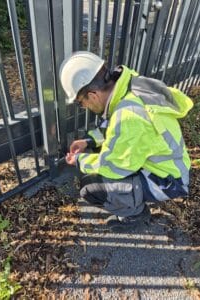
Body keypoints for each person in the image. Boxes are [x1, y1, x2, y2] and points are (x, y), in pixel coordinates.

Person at [59, 51, 193, 232]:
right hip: (168, 165)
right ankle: (134, 199)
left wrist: (79, 160)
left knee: (90, 188)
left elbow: (113, 167)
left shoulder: (129, 117)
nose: (83, 107)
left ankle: (135, 214)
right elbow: (112, 128)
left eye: (80, 102)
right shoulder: (128, 86)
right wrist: (88, 142)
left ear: (92, 95)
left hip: (167, 180)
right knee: (100, 167)